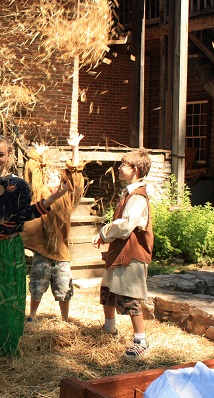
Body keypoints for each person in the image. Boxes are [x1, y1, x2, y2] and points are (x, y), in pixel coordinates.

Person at [0, 135, 70, 365]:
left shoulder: (18, 186)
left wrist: (55, 196)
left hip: (11, 249)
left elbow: (26, 214)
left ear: (10, 157)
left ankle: (5, 350)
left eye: (1, 154)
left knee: (9, 300)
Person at [91, 149, 153, 358]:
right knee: (108, 291)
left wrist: (103, 232)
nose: (119, 168)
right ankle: (109, 328)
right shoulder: (128, 192)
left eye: (123, 165)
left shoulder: (138, 197)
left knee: (130, 297)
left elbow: (126, 226)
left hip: (132, 255)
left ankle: (140, 341)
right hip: (119, 252)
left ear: (135, 170)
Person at [21, 133, 85, 323]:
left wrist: (75, 149)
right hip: (42, 249)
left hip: (61, 252)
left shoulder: (67, 197)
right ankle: (32, 315)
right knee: (37, 285)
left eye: (55, 176)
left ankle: (64, 319)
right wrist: (38, 155)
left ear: (62, 181)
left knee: (64, 287)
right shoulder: (39, 195)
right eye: (48, 176)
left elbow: (75, 177)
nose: (51, 178)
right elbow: (35, 174)